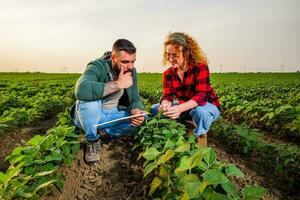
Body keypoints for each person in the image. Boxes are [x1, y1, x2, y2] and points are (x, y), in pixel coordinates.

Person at [71, 39, 146, 163]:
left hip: (113, 114)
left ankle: (104, 132)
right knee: (89, 104)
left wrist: (135, 111)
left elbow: (135, 98)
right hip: (94, 114)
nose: (130, 66)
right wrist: (118, 84)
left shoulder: (131, 71)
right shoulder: (97, 66)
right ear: (113, 57)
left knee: (143, 119)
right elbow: (81, 90)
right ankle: (92, 140)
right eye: (125, 62)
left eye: (133, 61)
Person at [150, 32, 221, 147]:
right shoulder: (168, 73)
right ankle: (183, 125)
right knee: (155, 109)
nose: (170, 58)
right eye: (168, 54)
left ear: (186, 53)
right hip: (185, 107)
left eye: (175, 55)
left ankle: (200, 137)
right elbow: (168, 95)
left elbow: (202, 95)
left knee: (200, 112)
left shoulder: (200, 67)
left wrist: (179, 108)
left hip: (206, 105)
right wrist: (165, 104)